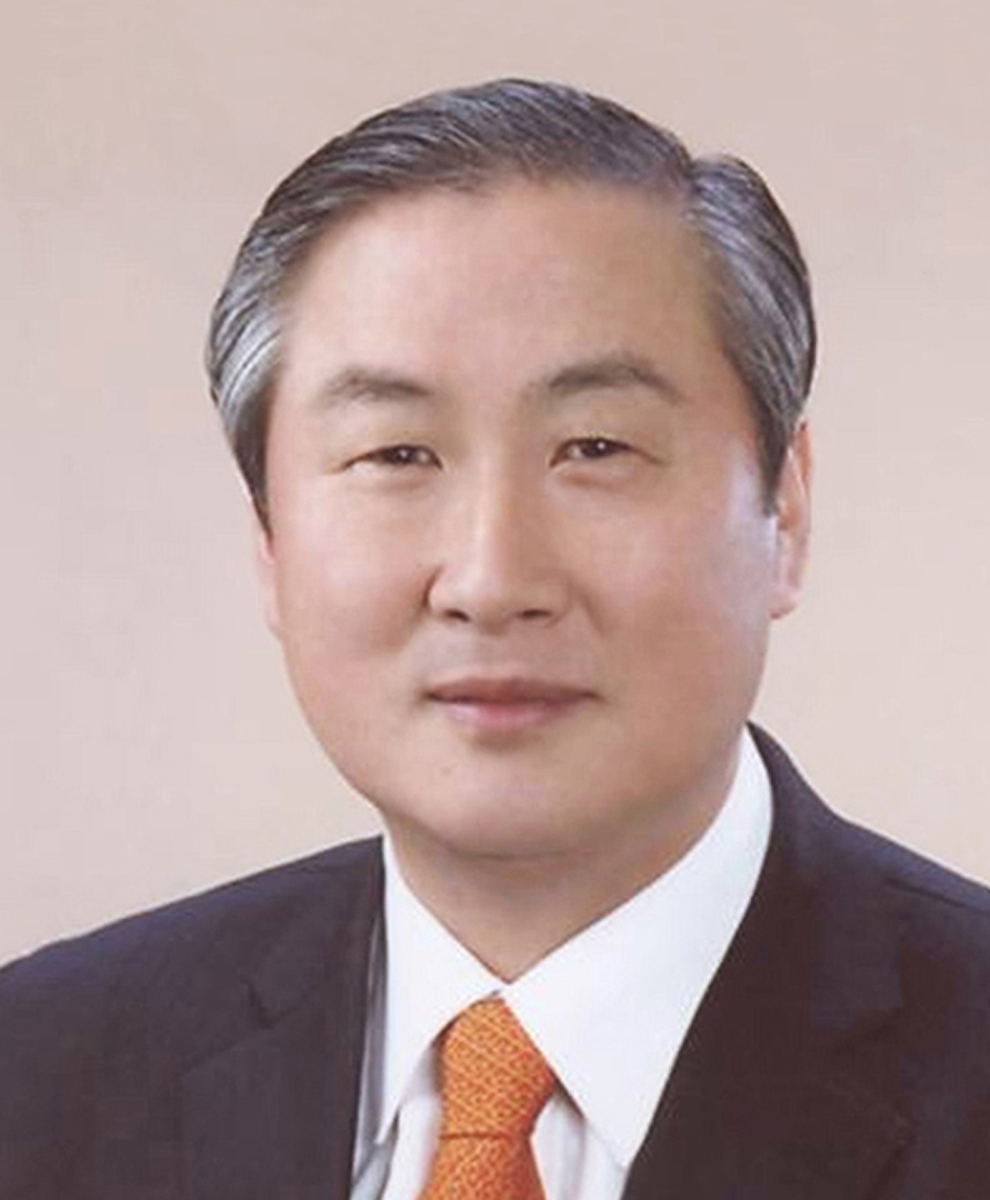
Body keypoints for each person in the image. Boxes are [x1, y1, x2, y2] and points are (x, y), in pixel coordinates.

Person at [1, 78, 988, 1200]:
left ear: (786, 511)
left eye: (597, 448)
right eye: (397, 455)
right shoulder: (41, 1075)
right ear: (270, 539)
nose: (490, 581)